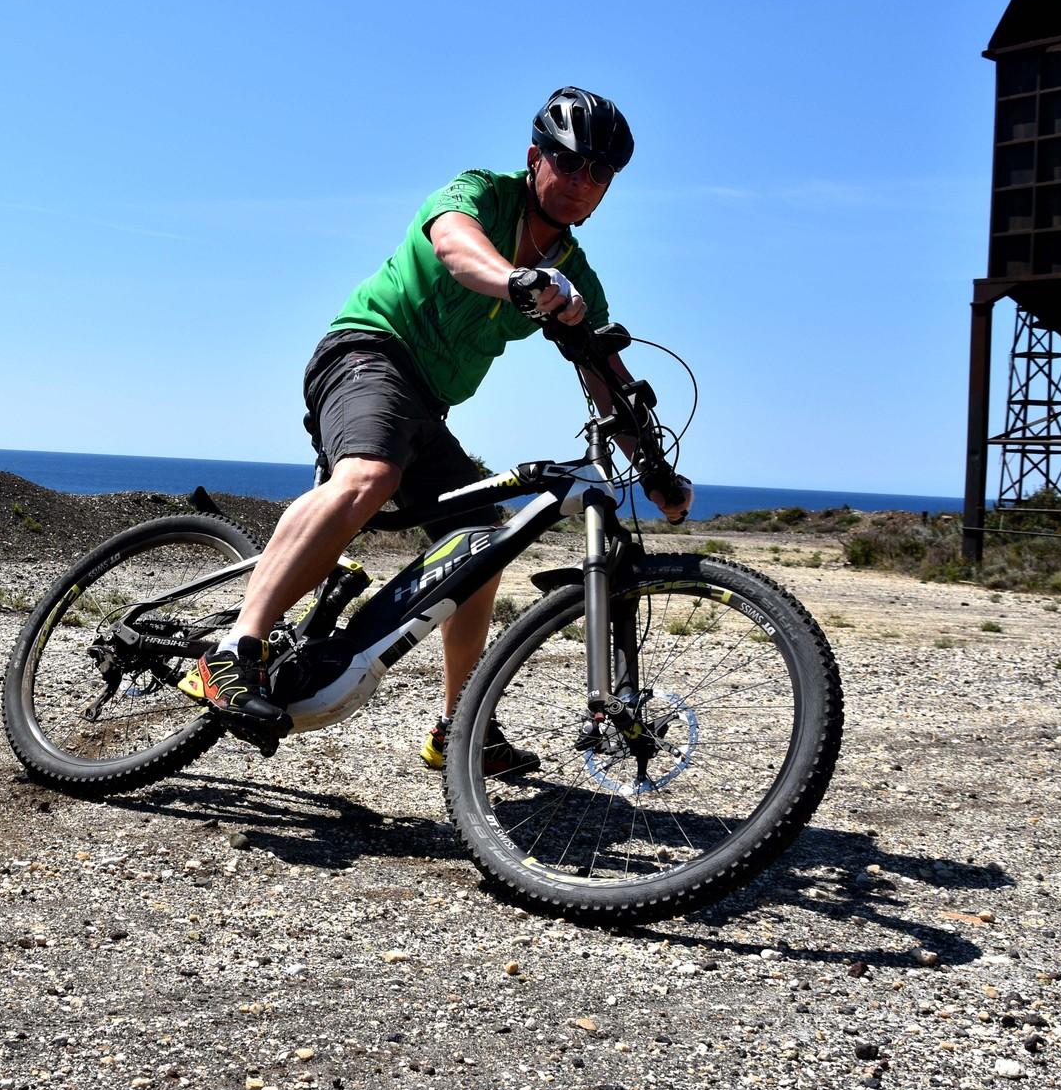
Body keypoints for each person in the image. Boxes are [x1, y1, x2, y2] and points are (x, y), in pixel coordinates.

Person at [178, 87, 694, 771]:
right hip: (366, 351)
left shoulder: (576, 275)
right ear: (536, 157)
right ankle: (233, 649)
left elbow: (604, 371)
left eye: (599, 175)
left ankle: (460, 728)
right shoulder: (479, 192)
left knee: (482, 542)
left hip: (429, 406)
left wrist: (652, 464)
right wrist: (517, 280)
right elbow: (455, 245)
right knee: (369, 473)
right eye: (570, 165)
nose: (581, 183)